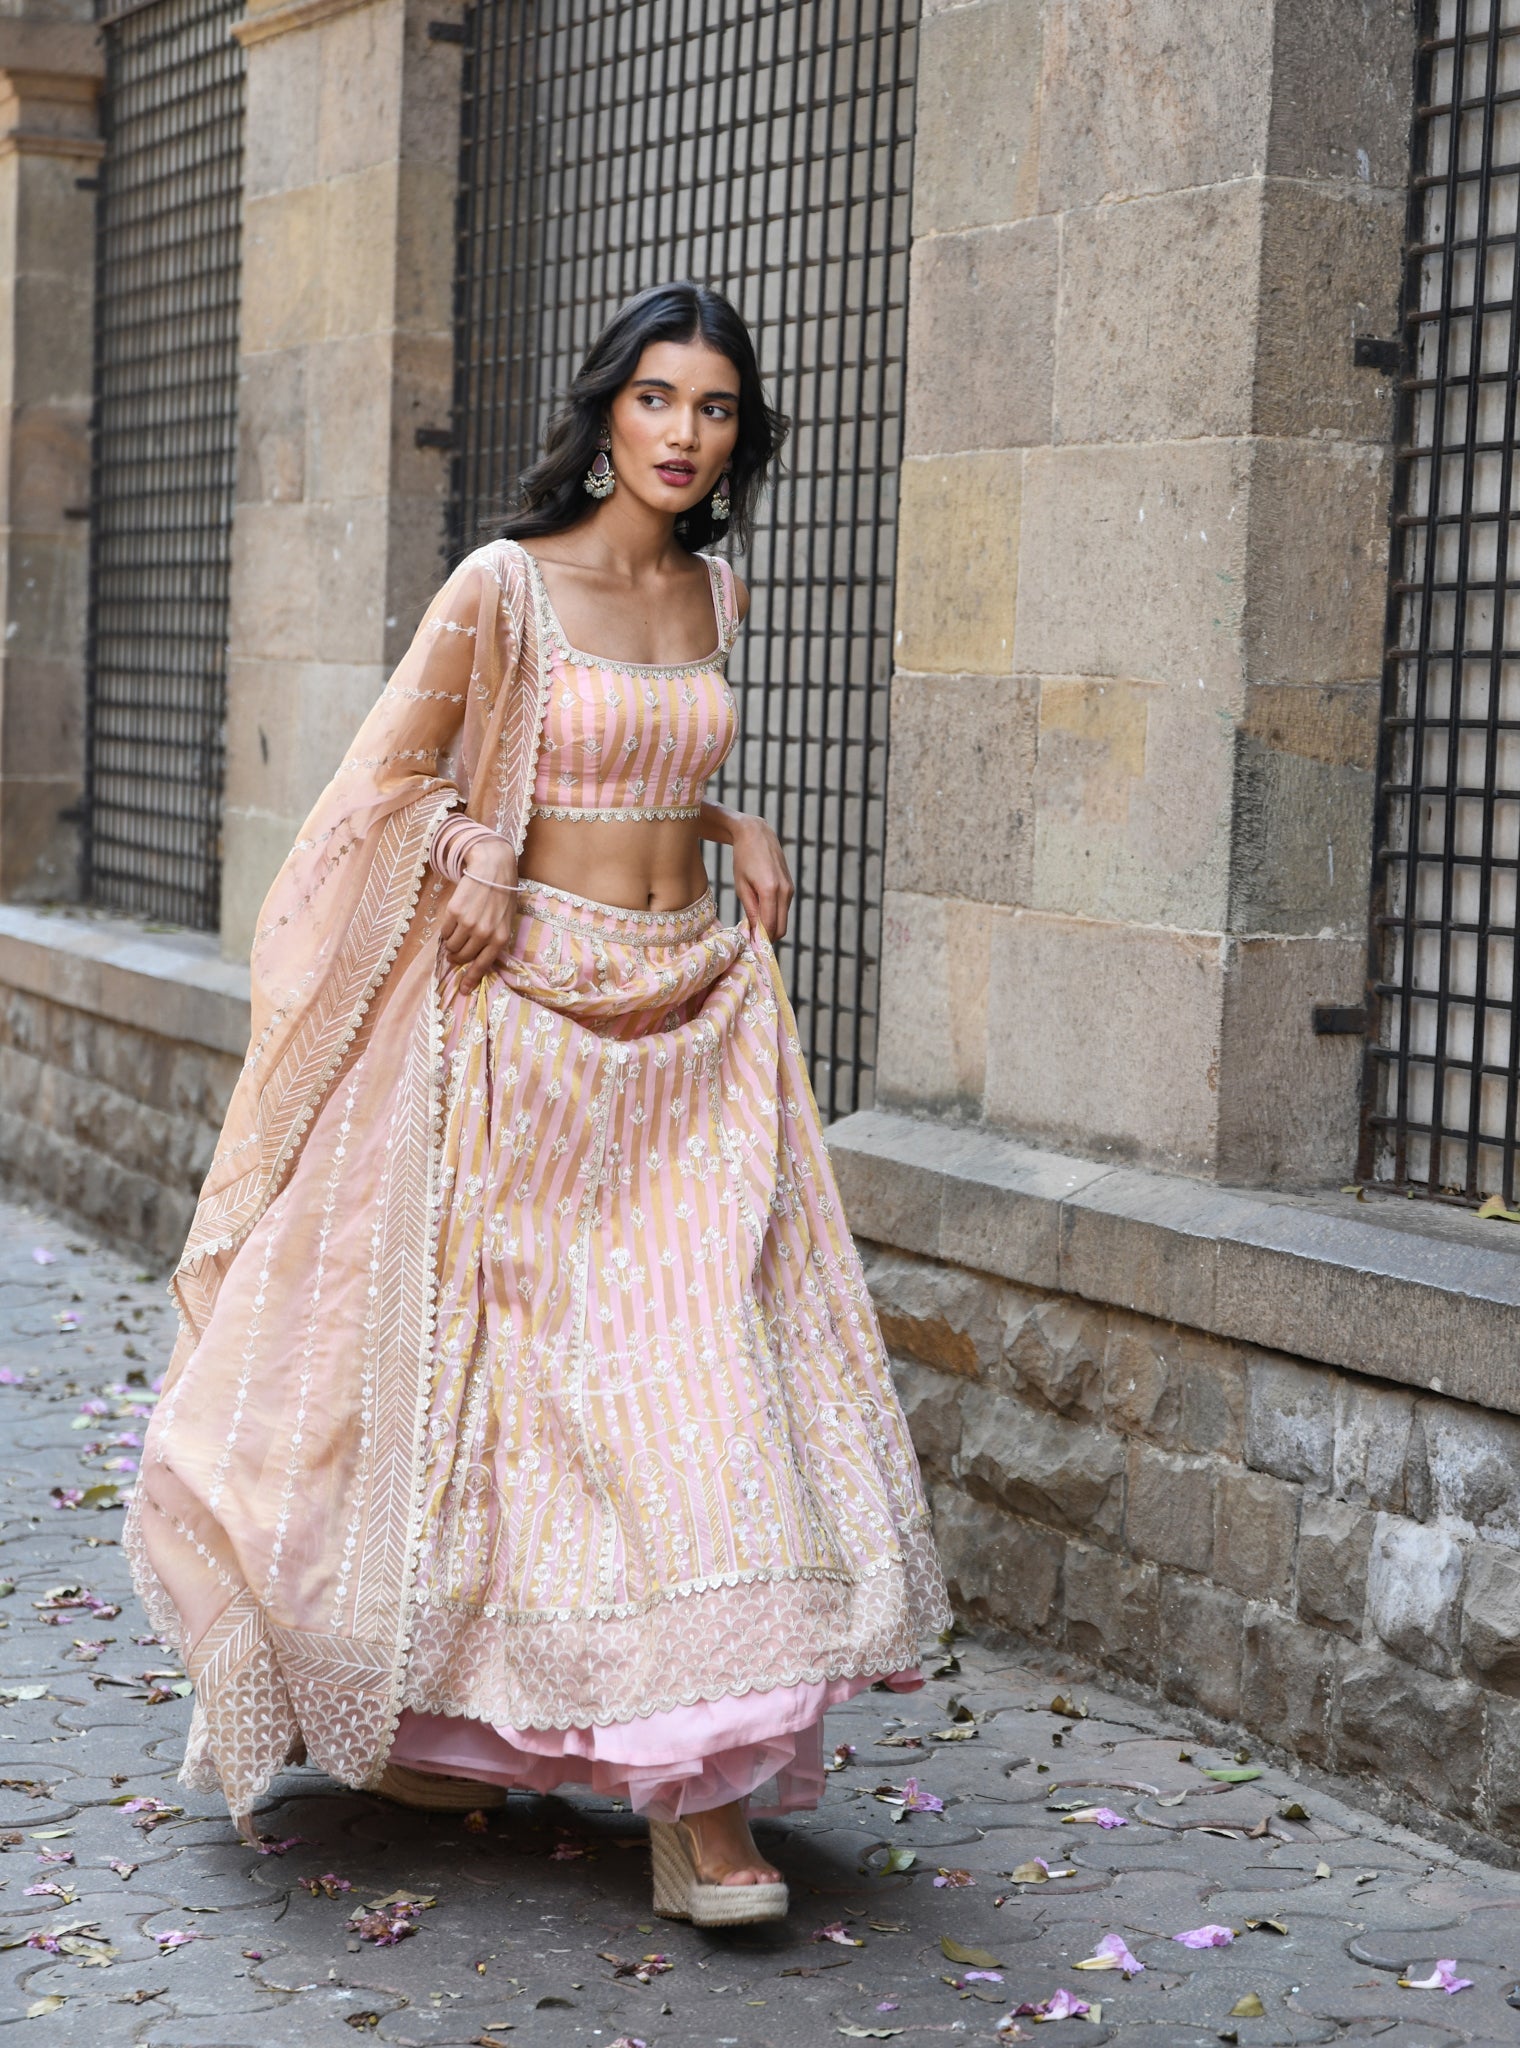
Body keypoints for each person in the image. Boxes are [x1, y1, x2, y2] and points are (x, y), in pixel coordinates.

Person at [127, 281, 950, 1928]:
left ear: (739, 437)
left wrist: (728, 825)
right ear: (608, 410)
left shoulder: (720, 585)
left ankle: (684, 1777)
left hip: (699, 1012)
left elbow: (640, 760)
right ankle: (674, 1803)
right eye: (658, 400)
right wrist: (473, 850)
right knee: (558, 1395)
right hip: (534, 1032)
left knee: (705, 1366)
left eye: (714, 410)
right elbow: (386, 790)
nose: (683, 434)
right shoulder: (504, 589)